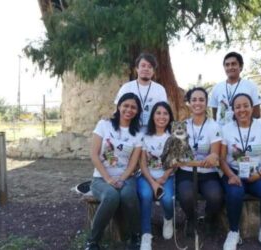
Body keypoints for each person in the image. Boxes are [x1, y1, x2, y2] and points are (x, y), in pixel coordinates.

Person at [220, 93, 261, 250]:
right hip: (233, 172)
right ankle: (233, 232)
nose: (242, 110)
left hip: (256, 173)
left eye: (245, 105)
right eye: (237, 107)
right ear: (233, 110)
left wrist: (260, 174)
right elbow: (221, 159)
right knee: (234, 193)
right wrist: (231, 175)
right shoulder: (226, 129)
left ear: (252, 108)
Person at [85, 93, 144, 250]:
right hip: (101, 178)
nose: (129, 109)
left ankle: (135, 237)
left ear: (137, 111)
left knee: (128, 195)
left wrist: (122, 179)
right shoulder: (104, 125)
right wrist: (109, 179)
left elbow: (133, 163)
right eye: (126, 105)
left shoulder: (138, 134)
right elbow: (94, 155)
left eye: (133, 107)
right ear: (119, 106)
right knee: (111, 196)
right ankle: (93, 241)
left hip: (126, 177)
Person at [176, 87, 224, 236]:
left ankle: (209, 218)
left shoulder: (214, 126)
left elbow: (215, 156)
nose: (198, 103)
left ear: (206, 102)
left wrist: (213, 156)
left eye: (201, 100)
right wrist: (200, 161)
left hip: (208, 173)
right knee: (186, 196)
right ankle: (191, 219)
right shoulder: (181, 125)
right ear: (189, 103)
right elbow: (178, 157)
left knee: (216, 196)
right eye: (194, 100)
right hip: (186, 173)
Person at [137, 102, 175, 250]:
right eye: (158, 113)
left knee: (166, 199)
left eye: (165, 113)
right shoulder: (145, 136)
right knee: (146, 195)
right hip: (146, 177)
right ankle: (146, 234)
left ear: (169, 117)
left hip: (167, 176)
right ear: (152, 116)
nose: (161, 116)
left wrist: (163, 178)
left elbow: (173, 162)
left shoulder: (173, 137)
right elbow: (143, 163)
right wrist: (153, 182)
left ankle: (168, 218)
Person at [114, 53, 168, 131]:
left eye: (150, 67)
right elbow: (117, 110)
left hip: (152, 131)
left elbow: (163, 111)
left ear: (153, 71)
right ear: (137, 69)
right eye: (143, 65)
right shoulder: (126, 87)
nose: (146, 69)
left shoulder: (160, 89)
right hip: (130, 130)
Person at [209, 51, 261, 126]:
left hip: (243, 132)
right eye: (227, 65)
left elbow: (257, 114)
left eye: (233, 64)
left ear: (241, 66)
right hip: (221, 134)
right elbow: (215, 115)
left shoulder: (250, 86)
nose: (230, 67)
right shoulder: (217, 88)